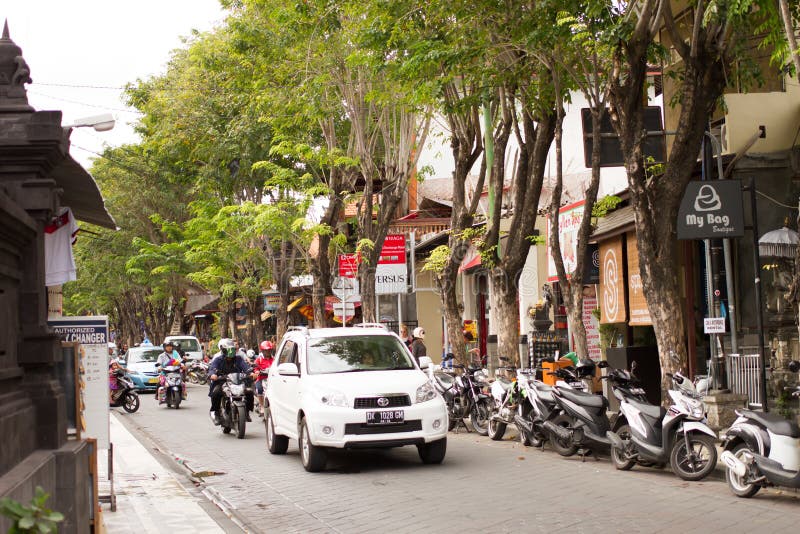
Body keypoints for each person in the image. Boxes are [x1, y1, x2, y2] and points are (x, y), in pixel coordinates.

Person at [208, 338, 252, 425]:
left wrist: (251, 373)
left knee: (249, 392)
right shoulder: (218, 359)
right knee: (216, 392)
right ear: (224, 350)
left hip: (237, 382)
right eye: (229, 350)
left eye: (233, 349)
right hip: (222, 382)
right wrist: (213, 374)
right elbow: (212, 368)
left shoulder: (239, 359)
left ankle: (246, 412)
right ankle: (216, 412)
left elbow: (246, 367)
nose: (231, 352)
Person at [252, 340, 275, 417]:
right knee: (259, 389)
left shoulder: (274, 359)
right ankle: (261, 406)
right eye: (266, 350)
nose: (268, 352)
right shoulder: (259, 359)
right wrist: (257, 371)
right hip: (261, 378)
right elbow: (255, 367)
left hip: (271, 379)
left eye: (269, 350)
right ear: (262, 350)